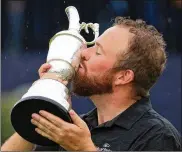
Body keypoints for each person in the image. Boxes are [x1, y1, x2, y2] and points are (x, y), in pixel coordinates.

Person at [1, 17, 181, 151]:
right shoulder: (73, 128)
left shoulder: (158, 135)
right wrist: (44, 102)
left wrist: (84, 149)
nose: (83, 53)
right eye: (91, 46)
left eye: (98, 52)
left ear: (123, 77)